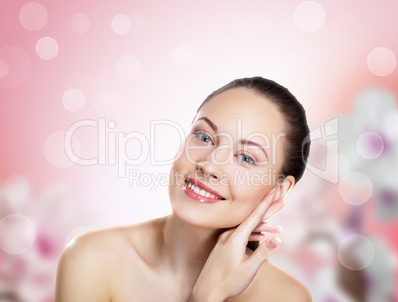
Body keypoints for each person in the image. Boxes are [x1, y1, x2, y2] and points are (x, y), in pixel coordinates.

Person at [55, 76, 312, 301]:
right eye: (204, 137)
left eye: (245, 157)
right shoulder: (92, 259)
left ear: (279, 190)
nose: (209, 166)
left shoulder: (286, 296)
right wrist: (207, 297)